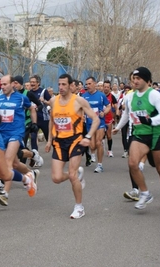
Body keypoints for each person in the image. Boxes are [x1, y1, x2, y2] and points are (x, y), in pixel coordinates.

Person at [45, 74, 99, 219]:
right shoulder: (53, 101)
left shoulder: (79, 101)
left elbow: (95, 120)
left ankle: (79, 207)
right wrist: (49, 140)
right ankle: (77, 175)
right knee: (56, 178)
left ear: (70, 85)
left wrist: (88, 137)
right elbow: (51, 120)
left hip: (76, 140)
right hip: (59, 142)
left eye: (64, 84)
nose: (61, 87)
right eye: (59, 84)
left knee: (72, 174)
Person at [113, 67, 160, 209]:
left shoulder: (154, 95)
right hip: (139, 134)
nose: (135, 81)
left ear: (147, 81)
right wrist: (118, 127)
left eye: (138, 78)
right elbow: (126, 114)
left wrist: (150, 121)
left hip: (156, 133)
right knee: (132, 163)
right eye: (133, 78)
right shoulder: (130, 96)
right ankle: (145, 193)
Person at [0, 75, 40, 204]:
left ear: (13, 84)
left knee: (7, 162)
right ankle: (31, 174)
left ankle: (5, 193)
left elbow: (32, 108)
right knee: (15, 164)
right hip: (1, 134)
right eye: (1, 84)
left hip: (16, 133)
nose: (2, 87)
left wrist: (34, 123)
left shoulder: (22, 98)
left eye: (5, 84)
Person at [82, 77, 111, 173]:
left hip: (100, 122)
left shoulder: (101, 95)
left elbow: (108, 105)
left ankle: (100, 165)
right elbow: (81, 108)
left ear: (95, 84)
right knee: (92, 145)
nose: (88, 86)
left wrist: (104, 112)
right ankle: (94, 153)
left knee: (98, 142)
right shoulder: (84, 96)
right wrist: (82, 116)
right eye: (87, 84)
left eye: (90, 84)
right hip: (89, 123)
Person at [28, 74, 52, 151]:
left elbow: (51, 102)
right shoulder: (29, 93)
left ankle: (58, 152)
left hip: (44, 119)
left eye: (34, 82)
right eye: (31, 82)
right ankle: (35, 155)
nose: (32, 84)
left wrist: (44, 101)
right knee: (33, 137)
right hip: (34, 120)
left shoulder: (43, 91)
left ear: (38, 83)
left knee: (49, 137)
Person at [103, 80, 118, 157]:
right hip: (101, 118)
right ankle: (101, 148)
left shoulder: (112, 96)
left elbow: (116, 105)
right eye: (105, 87)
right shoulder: (100, 95)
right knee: (101, 135)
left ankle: (109, 150)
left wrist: (117, 111)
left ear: (110, 88)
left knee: (109, 136)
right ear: (103, 87)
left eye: (107, 87)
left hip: (108, 118)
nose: (106, 88)